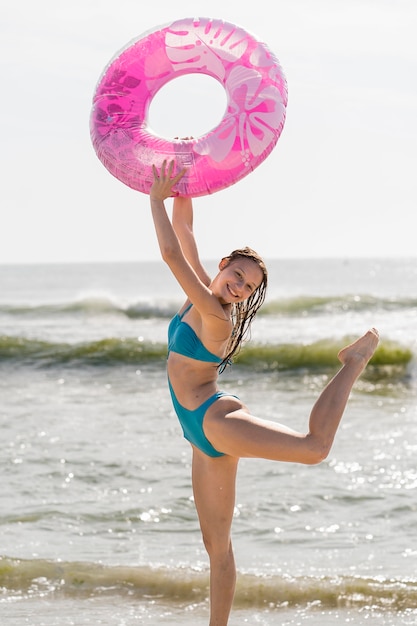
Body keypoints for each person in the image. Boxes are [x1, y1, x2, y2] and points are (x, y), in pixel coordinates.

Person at [149, 159, 379, 626]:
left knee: (314, 449)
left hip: (215, 420)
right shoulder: (203, 295)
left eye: (248, 287)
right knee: (217, 546)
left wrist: (155, 198)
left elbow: (172, 254)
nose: (239, 287)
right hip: (198, 434)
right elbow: (186, 234)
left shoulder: (215, 315)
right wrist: (184, 181)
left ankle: (352, 363)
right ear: (223, 266)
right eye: (237, 276)